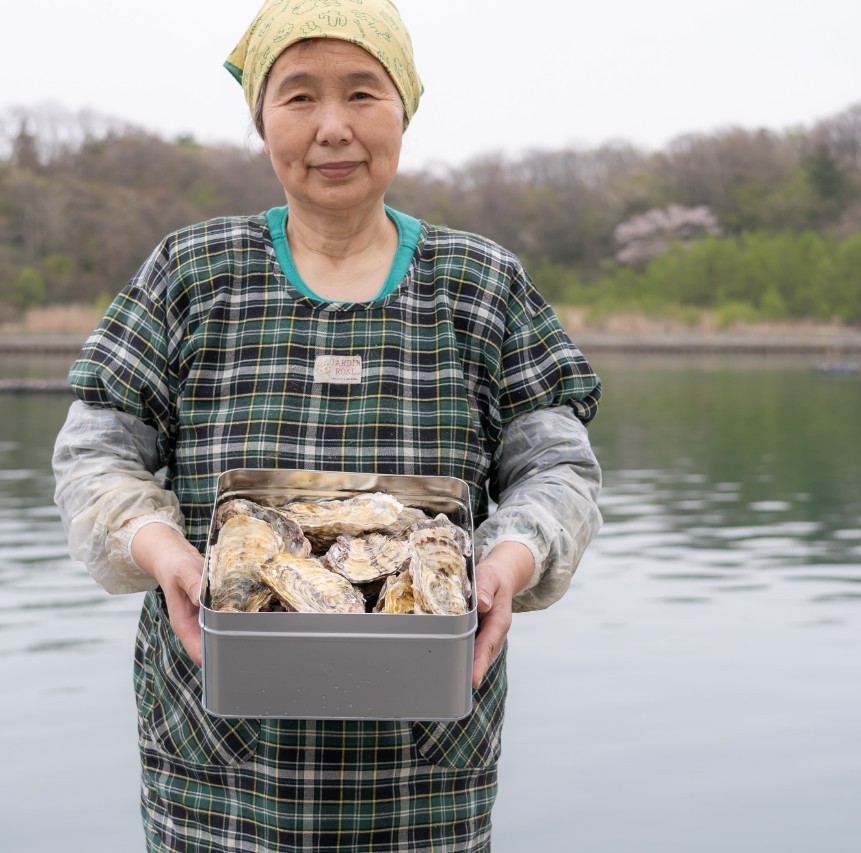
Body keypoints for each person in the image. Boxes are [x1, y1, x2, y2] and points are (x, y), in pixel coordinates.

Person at [51, 0, 603, 849]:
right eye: (299, 97)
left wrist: (509, 557)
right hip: (218, 761)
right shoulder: (193, 273)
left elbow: (558, 470)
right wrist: (167, 554)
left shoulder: (481, 283)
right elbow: (97, 458)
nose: (333, 128)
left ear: (405, 108)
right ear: (262, 119)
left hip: (422, 769)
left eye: (363, 94)